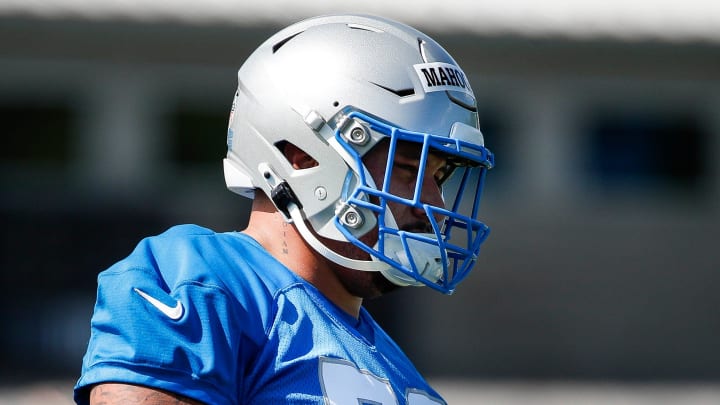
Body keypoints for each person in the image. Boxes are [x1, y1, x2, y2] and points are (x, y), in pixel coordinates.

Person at [74, 13, 494, 405]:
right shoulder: (205, 281)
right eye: (408, 169)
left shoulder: (406, 377)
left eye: (438, 179)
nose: (434, 206)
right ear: (301, 156)